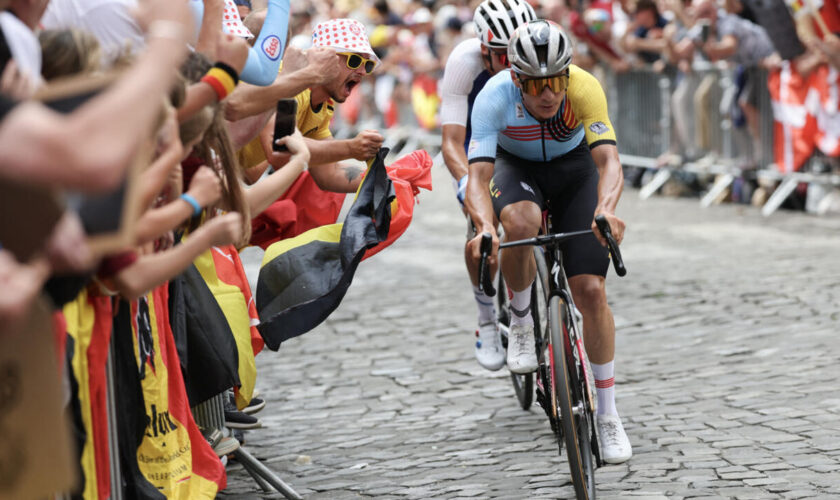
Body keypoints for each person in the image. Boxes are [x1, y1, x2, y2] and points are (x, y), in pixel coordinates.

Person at [465, 19, 632, 464]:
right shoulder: (494, 96)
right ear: (516, 79)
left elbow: (609, 162)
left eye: (556, 81)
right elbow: (477, 178)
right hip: (514, 169)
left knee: (592, 291)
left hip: (574, 170)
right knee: (521, 223)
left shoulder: (584, 87)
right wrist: (484, 226)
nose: (548, 94)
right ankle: (520, 321)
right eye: (536, 84)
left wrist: (606, 209)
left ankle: (608, 413)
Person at [439, 0, 536, 372]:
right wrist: (468, 185)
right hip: (477, 148)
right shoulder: (464, 62)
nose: (515, 64)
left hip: (523, 143)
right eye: (504, 55)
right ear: (485, 51)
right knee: (485, 238)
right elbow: (451, 142)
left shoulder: (538, 48)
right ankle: (485, 320)